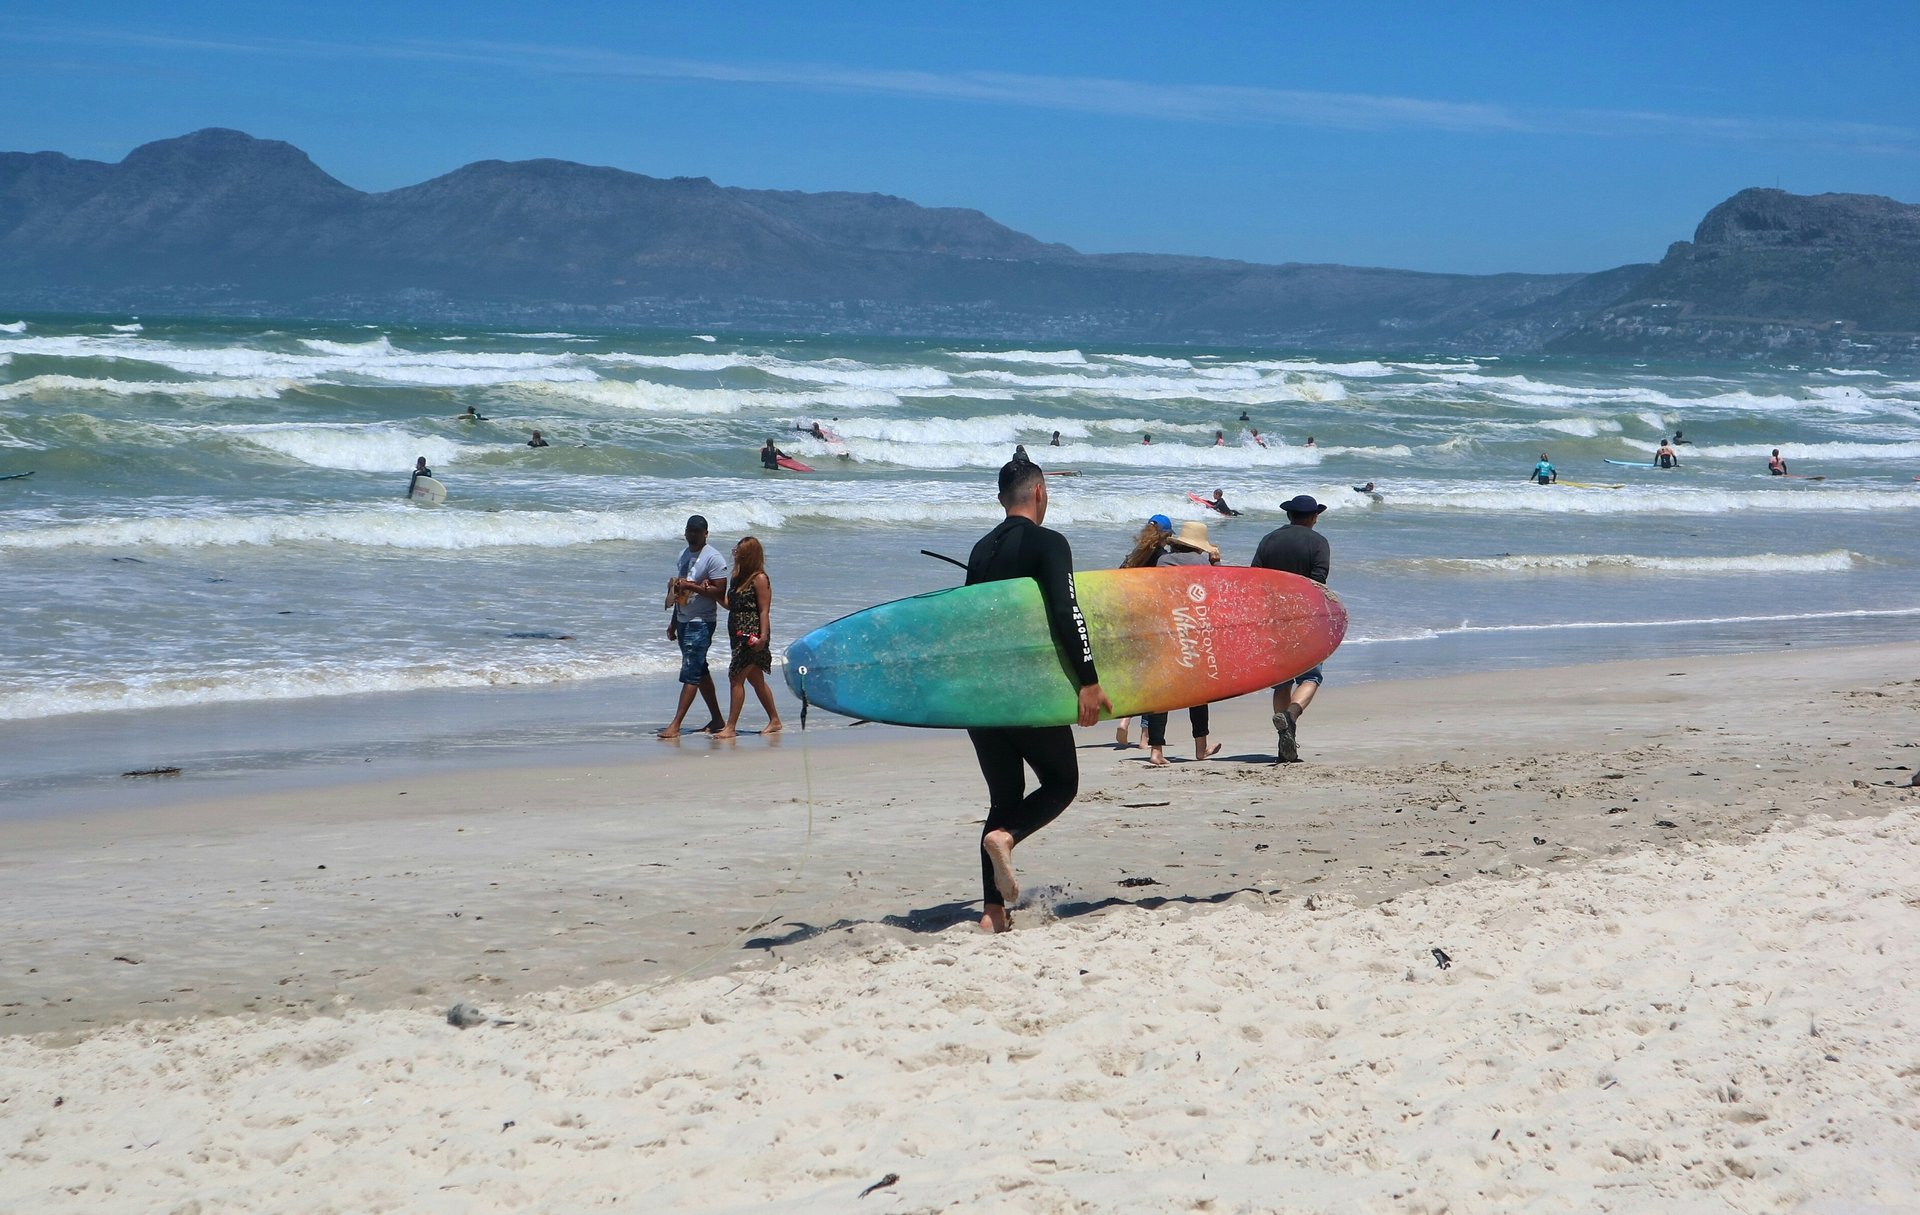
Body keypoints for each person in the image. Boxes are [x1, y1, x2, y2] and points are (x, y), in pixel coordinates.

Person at [965, 455, 1110, 933]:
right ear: (1041, 493)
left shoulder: (980, 550)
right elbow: (1068, 612)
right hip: (1026, 691)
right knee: (1061, 782)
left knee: (1003, 796)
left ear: (1001, 498)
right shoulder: (1049, 543)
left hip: (980, 696)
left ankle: (992, 914)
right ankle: (1007, 838)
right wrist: (1087, 679)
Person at [1252, 495, 1331, 764]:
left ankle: (1284, 738)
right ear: (1313, 517)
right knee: (1311, 677)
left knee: (1282, 681)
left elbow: (1254, 577)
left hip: (1274, 618)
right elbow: (1318, 581)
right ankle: (1291, 716)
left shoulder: (1269, 539)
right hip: (1304, 617)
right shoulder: (1319, 542)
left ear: (1289, 516)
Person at [1140, 520, 1222, 766]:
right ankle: (1201, 747)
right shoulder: (1204, 563)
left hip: (1164, 630)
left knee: (1162, 692)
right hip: (1193, 633)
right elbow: (1219, 590)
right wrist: (1215, 560)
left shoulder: (1163, 562)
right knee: (1198, 692)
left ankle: (1156, 751)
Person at [658, 515, 729, 739]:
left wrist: (693, 586)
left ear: (706, 534)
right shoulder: (683, 554)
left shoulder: (714, 558)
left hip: (702, 621)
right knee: (700, 670)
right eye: (689, 531)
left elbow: (720, 592)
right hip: (683, 619)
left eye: (697, 532)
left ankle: (676, 724)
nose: (692, 535)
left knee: (691, 671)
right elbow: (680, 590)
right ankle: (717, 719)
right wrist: (673, 622)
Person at [1111, 514, 1172, 749]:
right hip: (1153, 622)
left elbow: (1118, 582)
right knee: (1152, 680)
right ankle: (1145, 736)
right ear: (1166, 536)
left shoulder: (1134, 555)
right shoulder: (1163, 558)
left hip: (1131, 620)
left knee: (1137, 675)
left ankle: (1125, 719)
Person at [714, 536, 783, 739]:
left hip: (752, 634)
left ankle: (730, 727)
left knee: (735, 677)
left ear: (750, 555)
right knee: (755, 680)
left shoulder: (759, 578)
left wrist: (762, 638)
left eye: (740, 552)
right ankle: (775, 720)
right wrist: (714, 593)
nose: (735, 555)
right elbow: (731, 604)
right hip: (736, 633)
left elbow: (764, 611)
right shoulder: (737, 577)